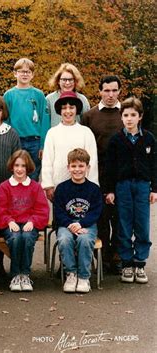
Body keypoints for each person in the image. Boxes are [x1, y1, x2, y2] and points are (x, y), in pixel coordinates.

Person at [105, 97, 156, 284]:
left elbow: (154, 165)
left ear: (140, 117)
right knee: (124, 224)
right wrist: (110, 190)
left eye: (133, 115)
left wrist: (154, 189)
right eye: (126, 115)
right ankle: (127, 263)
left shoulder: (149, 138)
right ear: (121, 117)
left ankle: (139, 263)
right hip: (122, 186)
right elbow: (110, 167)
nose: (129, 119)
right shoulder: (116, 140)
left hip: (142, 186)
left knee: (142, 224)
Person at [82, 75, 124, 273]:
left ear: (119, 91)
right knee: (102, 218)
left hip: (121, 173)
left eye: (114, 90)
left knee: (120, 218)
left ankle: (116, 257)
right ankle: (103, 256)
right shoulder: (90, 116)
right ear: (100, 92)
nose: (110, 94)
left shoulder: (126, 113)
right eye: (106, 90)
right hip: (98, 173)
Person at [0, 150, 49, 292]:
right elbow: (0, 209)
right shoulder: (4, 186)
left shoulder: (35, 187)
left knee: (27, 237)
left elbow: (42, 209)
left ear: (28, 167)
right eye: (17, 165)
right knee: (15, 238)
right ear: (12, 166)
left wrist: (33, 221)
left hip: (29, 224)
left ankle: (24, 274)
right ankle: (15, 275)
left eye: (23, 166)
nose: (19, 169)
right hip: (10, 224)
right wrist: (8, 221)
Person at [54, 149, 103, 293]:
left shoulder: (94, 189)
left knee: (85, 240)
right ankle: (71, 274)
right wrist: (70, 224)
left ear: (88, 168)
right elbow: (58, 212)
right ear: (68, 167)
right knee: (64, 239)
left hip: (86, 224)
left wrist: (80, 224)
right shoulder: (62, 188)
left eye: (81, 166)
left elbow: (95, 212)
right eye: (74, 166)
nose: (77, 170)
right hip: (66, 224)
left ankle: (83, 277)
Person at [42, 91, 99, 202]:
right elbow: (47, 161)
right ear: (60, 111)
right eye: (64, 108)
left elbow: (92, 161)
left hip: (82, 185)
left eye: (71, 107)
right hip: (59, 184)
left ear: (76, 109)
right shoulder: (52, 133)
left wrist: (92, 185)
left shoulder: (86, 132)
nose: (68, 111)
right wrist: (48, 185)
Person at [4, 58, 50, 181]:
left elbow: (44, 121)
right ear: (15, 73)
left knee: (33, 174)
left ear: (32, 75)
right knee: (15, 173)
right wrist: (8, 142)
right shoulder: (9, 95)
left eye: (28, 72)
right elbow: (5, 121)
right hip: (16, 141)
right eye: (21, 71)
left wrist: (43, 145)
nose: (25, 74)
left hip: (34, 142)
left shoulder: (39, 95)